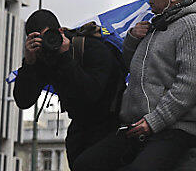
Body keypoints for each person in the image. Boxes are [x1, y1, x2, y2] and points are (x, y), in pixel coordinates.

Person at [72, 0, 196, 171]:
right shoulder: (157, 25)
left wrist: (153, 122)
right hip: (142, 127)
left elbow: (190, 85)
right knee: (85, 164)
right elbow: (135, 68)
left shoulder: (193, 25)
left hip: (177, 128)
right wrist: (131, 40)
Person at [12, 9, 123, 166]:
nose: (46, 42)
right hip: (81, 127)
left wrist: (65, 57)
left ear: (59, 31)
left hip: (112, 124)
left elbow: (90, 94)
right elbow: (23, 100)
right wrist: (29, 64)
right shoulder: (45, 57)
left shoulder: (90, 48)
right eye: (38, 39)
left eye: (48, 35)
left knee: (86, 164)